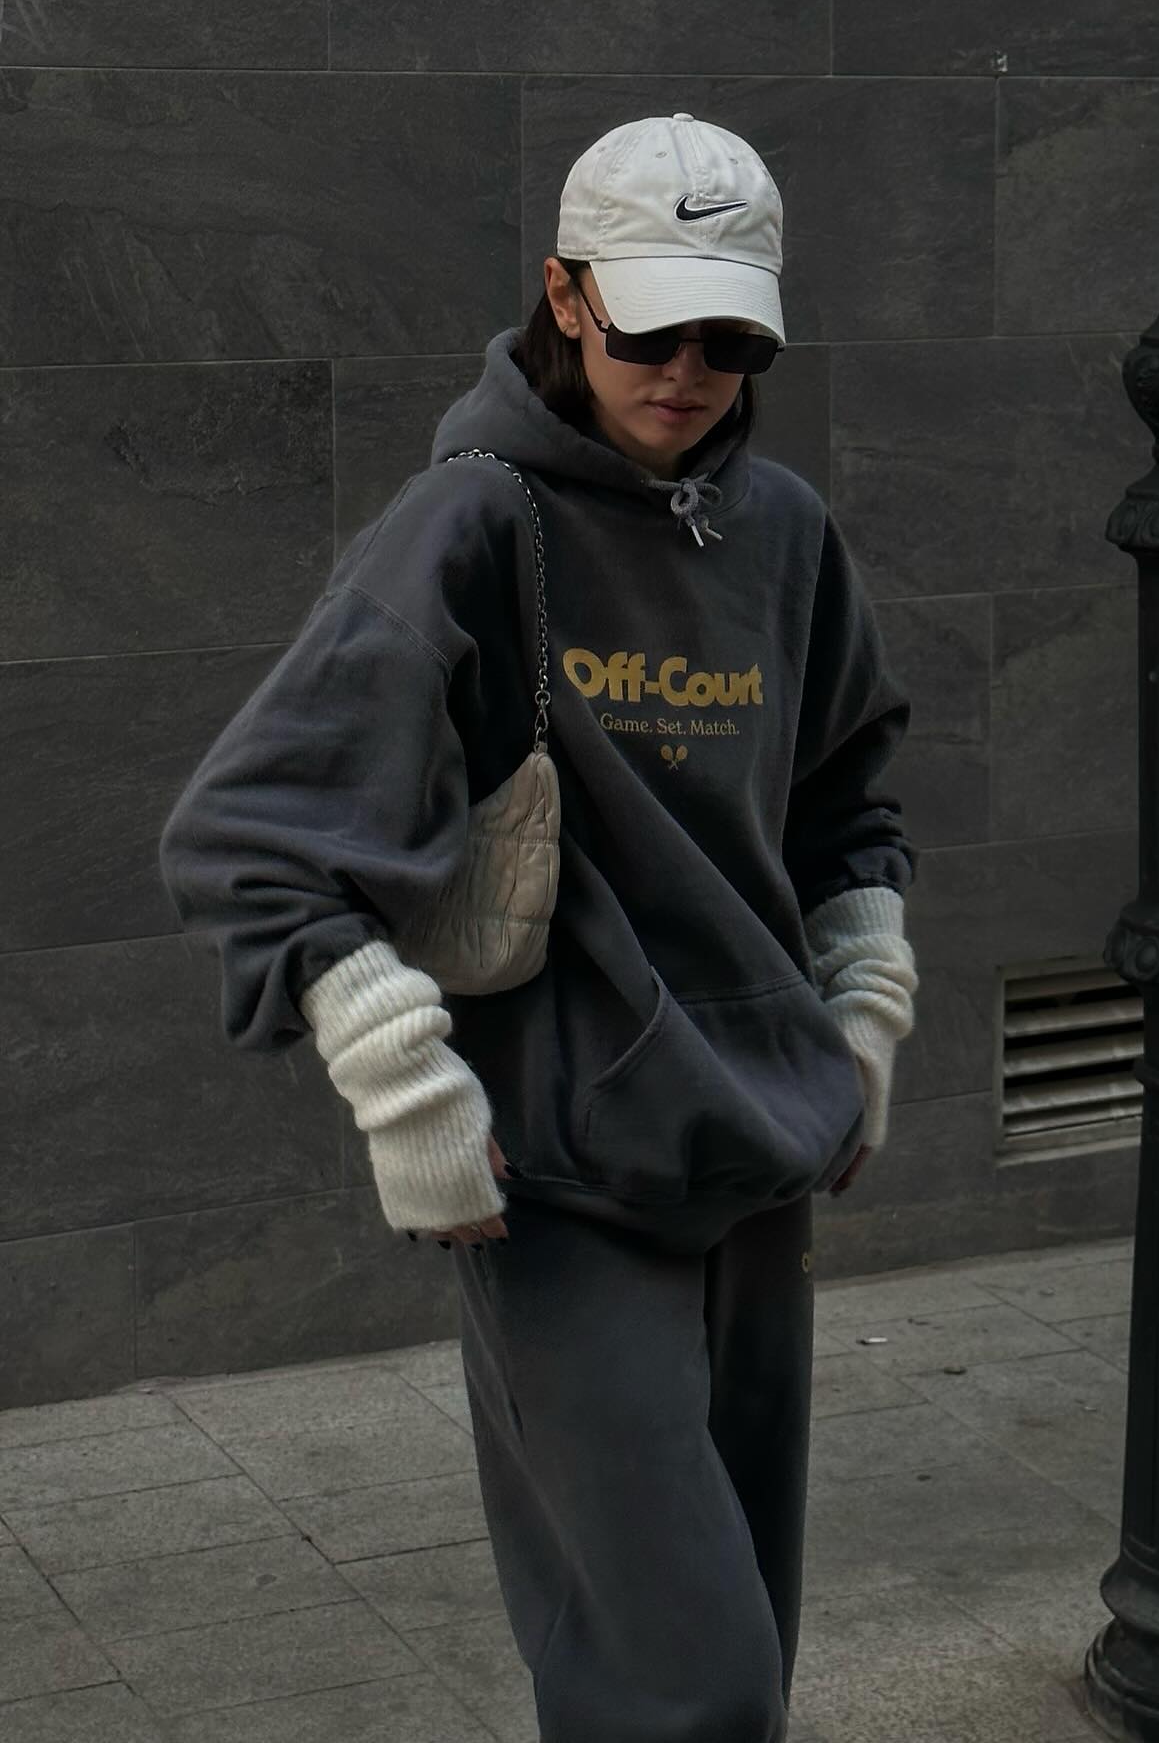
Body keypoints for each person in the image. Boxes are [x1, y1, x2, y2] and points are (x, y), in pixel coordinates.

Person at [158, 112, 919, 1743]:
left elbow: (846, 798)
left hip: (764, 1162)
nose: (689, 373)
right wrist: (406, 1088)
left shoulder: (785, 531)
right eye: (652, 330)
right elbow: (247, 832)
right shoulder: (473, 523)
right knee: (687, 1681)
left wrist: (863, 1011)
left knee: (744, 1655)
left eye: (731, 340)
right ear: (566, 297)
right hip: (564, 1183)